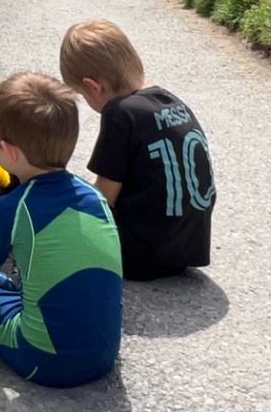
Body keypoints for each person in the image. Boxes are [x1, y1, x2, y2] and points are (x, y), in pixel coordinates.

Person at [0, 72, 123, 388]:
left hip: (43, 362)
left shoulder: (13, 206)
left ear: (9, 151)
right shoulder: (97, 198)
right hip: (102, 356)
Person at [59, 19, 216, 280]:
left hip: (139, 254)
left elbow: (104, 199)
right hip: (188, 247)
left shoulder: (119, 112)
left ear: (93, 86)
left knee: (58, 208)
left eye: (84, 96)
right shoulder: (171, 101)